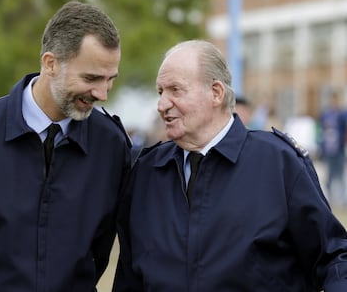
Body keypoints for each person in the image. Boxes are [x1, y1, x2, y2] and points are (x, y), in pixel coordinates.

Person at [112, 40, 347, 291]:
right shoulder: (147, 172)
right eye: (160, 92)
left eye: (175, 90)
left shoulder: (278, 163)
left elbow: (334, 257)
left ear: (216, 93)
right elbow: (129, 274)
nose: (162, 104)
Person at [0, 1, 132, 291]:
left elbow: (99, 253)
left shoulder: (112, 148)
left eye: (110, 80)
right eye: (91, 78)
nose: (101, 93)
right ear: (50, 63)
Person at [318, 91, 346, 205]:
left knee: (339, 175)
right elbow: (322, 131)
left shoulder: (342, 114)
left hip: (338, 150)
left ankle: (341, 200)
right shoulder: (326, 114)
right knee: (329, 176)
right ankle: (329, 199)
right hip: (328, 150)